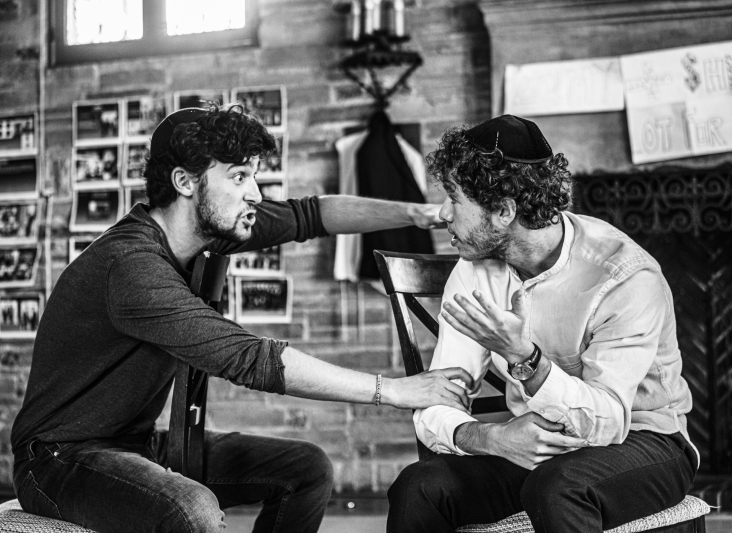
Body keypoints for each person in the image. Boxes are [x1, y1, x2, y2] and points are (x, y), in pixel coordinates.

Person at [10, 104, 475, 533]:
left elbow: (311, 215)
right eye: (238, 177)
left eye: (253, 175)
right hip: (58, 459)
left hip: (135, 442)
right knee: (191, 510)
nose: (255, 193)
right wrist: (393, 390)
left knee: (306, 470)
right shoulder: (131, 266)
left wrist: (418, 214)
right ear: (185, 182)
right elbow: (250, 358)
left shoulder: (209, 231)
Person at [386, 115, 698, 533]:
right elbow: (437, 398)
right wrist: (491, 438)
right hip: (534, 447)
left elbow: (607, 423)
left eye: (454, 198)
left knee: (557, 488)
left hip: (645, 441)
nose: (442, 213)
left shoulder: (623, 276)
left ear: (504, 210)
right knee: (419, 487)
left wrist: (525, 358)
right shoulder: (474, 270)